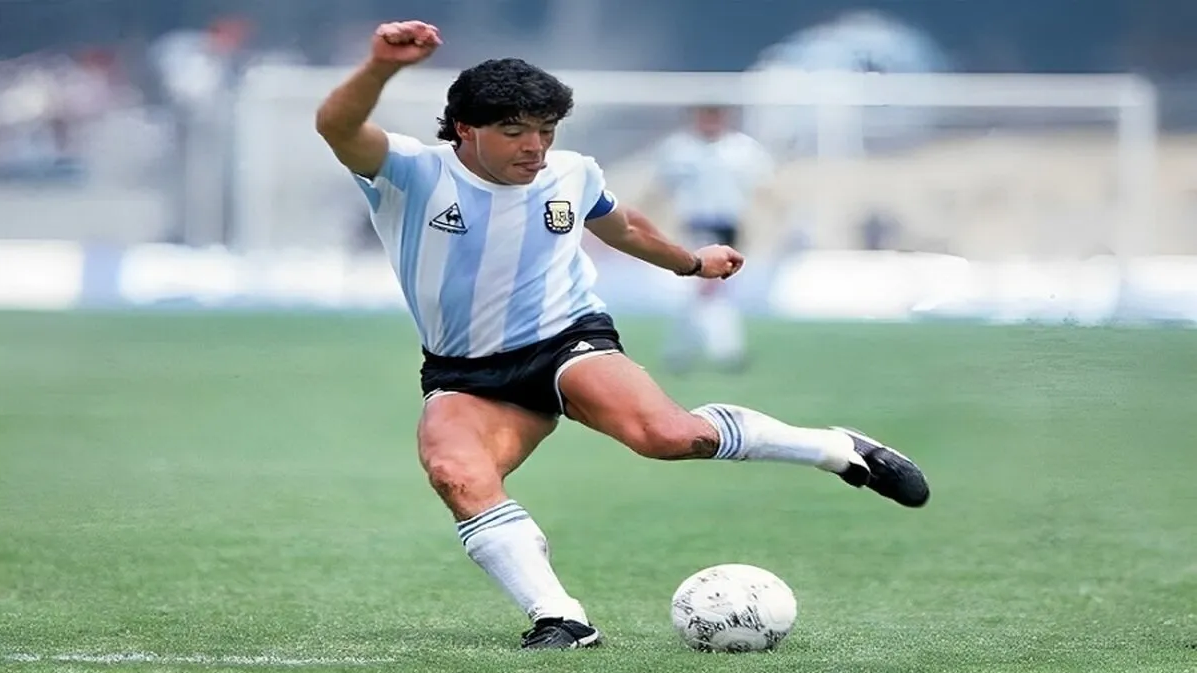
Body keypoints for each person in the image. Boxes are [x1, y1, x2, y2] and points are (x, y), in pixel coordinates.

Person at [315, 20, 930, 651]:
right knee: (456, 474)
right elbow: (337, 127)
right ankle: (561, 618)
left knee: (671, 436)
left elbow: (623, 226)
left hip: (565, 340)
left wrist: (691, 263)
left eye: (546, 131)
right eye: (515, 131)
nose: (535, 147)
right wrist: (381, 66)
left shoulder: (572, 174)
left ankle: (837, 450)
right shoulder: (412, 172)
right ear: (465, 129)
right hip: (465, 372)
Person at [655, 105, 774, 373]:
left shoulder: (742, 149)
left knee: (712, 291)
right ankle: (722, 351)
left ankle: (689, 351)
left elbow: (763, 188)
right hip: (696, 225)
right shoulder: (678, 149)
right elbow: (661, 188)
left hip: (728, 226)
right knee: (705, 289)